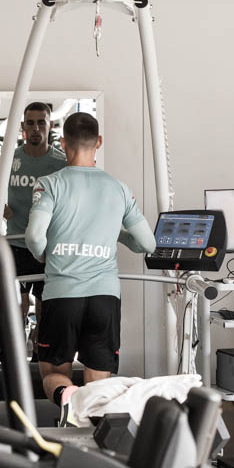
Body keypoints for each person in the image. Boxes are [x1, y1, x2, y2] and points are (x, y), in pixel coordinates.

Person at [25, 112, 155, 384]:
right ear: (99, 142)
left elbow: (35, 237)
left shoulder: (49, 184)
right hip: (104, 298)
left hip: (62, 295)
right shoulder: (119, 188)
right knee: (98, 382)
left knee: (53, 374)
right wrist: (116, 235)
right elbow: (147, 243)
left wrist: (42, 255)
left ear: (63, 142)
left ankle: (66, 401)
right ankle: (89, 411)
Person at [5, 102, 67, 324]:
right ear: (23, 126)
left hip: (46, 245)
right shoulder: (10, 159)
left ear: (50, 125)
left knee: (43, 307)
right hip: (16, 242)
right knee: (17, 306)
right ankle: (16, 343)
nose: (36, 128)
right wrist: (1, 207)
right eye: (30, 123)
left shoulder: (60, 163)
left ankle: (39, 342)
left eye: (41, 123)